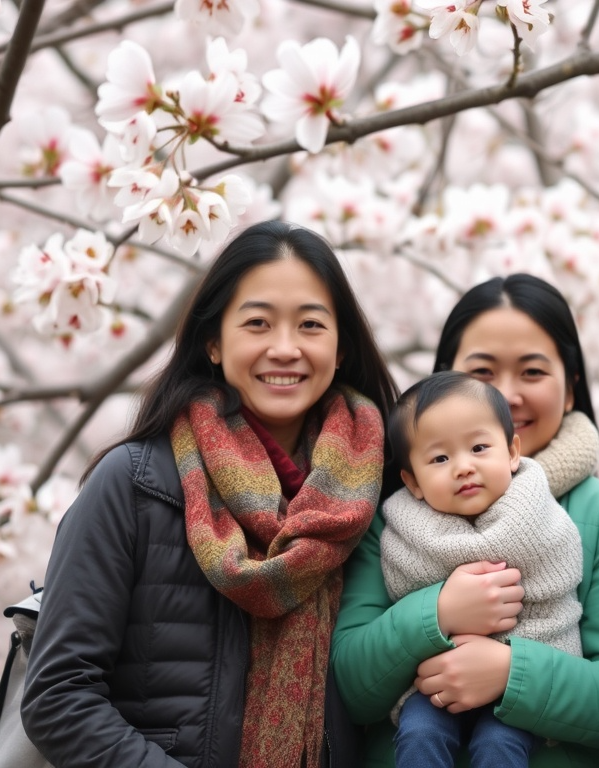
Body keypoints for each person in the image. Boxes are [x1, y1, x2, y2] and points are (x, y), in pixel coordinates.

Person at [21, 221, 399, 768]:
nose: (286, 348)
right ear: (214, 343)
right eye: (258, 323)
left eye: (311, 325)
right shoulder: (133, 486)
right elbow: (58, 695)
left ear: (341, 348)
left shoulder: (384, 489)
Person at [333, 273, 599, 767]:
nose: (507, 395)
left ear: (570, 389)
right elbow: (351, 688)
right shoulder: (392, 515)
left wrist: (511, 672)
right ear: (440, 383)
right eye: (482, 374)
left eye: (532, 372)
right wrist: (436, 614)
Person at [381, 370, 584, 767]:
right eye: (439, 458)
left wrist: (513, 665)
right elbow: (398, 603)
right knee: (419, 733)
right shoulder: (403, 532)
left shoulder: (542, 515)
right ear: (413, 481)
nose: (463, 467)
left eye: (478, 447)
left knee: (499, 745)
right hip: (435, 679)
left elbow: (555, 596)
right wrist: (440, 612)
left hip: (523, 674)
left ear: (511, 452)